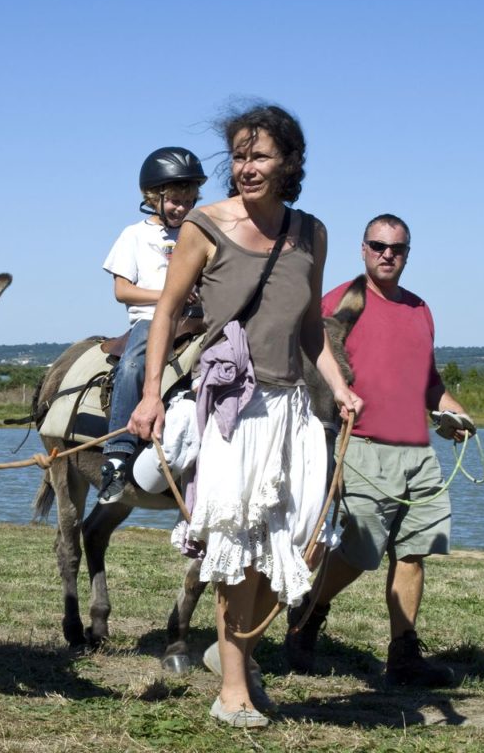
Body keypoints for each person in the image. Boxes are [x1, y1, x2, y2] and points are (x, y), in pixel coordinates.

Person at [129, 103, 362, 728]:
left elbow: (311, 327)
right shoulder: (205, 225)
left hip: (291, 407)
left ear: (289, 162)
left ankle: (230, 657)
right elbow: (167, 311)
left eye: (259, 155)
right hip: (233, 403)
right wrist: (150, 394)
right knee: (237, 541)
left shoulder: (312, 233)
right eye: (238, 156)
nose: (246, 167)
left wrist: (338, 387)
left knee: (294, 543)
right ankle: (233, 691)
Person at [284, 214, 473, 688]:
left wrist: (455, 415)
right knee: (359, 552)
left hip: (419, 454)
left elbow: (430, 385)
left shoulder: (420, 310)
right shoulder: (340, 303)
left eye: (398, 248)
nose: (388, 254)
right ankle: (306, 613)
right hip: (361, 448)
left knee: (414, 552)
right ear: (363, 249)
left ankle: (404, 654)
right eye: (378, 245)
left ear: (408, 254)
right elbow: (312, 370)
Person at [97, 147, 206, 502]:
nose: (182, 208)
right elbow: (122, 291)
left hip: (198, 319)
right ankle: (116, 454)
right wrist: (168, 294)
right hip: (152, 318)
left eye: (189, 201)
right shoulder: (134, 235)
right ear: (153, 197)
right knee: (131, 364)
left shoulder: (199, 233)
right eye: (175, 200)